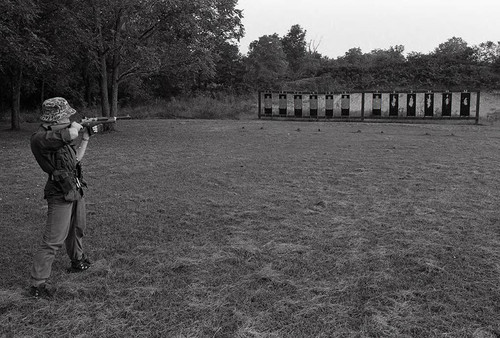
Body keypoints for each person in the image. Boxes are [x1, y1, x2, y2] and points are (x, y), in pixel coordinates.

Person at [29, 97, 94, 299]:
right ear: (55, 118)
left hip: (73, 187)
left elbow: (75, 160)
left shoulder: (61, 136)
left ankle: (78, 260)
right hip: (58, 191)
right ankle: (38, 284)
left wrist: (85, 137)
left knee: (77, 228)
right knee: (53, 240)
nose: (69, 118)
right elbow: (69, 133)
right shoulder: (40, 137)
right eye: (66, 116)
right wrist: (75, 127)